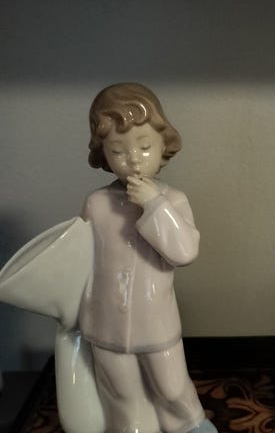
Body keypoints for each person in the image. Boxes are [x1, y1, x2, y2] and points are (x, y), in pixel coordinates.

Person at [79, 83, 217, 433]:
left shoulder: (173, 200)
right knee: (122, 393)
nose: (133, 158)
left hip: (156, 320)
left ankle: (190, 425)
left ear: (163, 144)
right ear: (103, 153)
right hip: (106, 322)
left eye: (144, 146)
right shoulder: (97, 204)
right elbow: (79, 262)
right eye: (117, 150)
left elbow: (184, 252)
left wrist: (154, 205)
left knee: (171, 386)